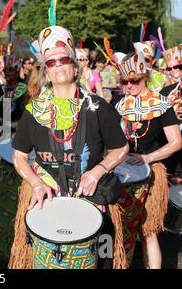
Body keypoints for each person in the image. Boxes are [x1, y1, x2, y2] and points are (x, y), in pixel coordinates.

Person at [9, 25, 129, 270]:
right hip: (47, 204)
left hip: (91, 203)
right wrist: (37, 184)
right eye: (51, 63)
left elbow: (121, 148)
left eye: (64, 59)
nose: (59, 65)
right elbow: (19, 157)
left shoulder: (98, 107)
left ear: (76, 66)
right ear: (46, 72)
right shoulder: (34, 113)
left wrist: (97, 171)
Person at [113, 51, 182, 269]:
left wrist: (147, 157)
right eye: (125, 82)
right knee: (119, 230)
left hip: (152, 174)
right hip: (121, 176)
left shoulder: (161, 104)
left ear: (145, 76)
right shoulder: (117, 104)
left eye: (134, 80)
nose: (130, 85)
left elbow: (176, 142)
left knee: (149, 231)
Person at [160, 45, 182, 182]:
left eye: (177, 67)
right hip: (169, 142)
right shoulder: (166, 91)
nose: (173, 71)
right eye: (169, 68)